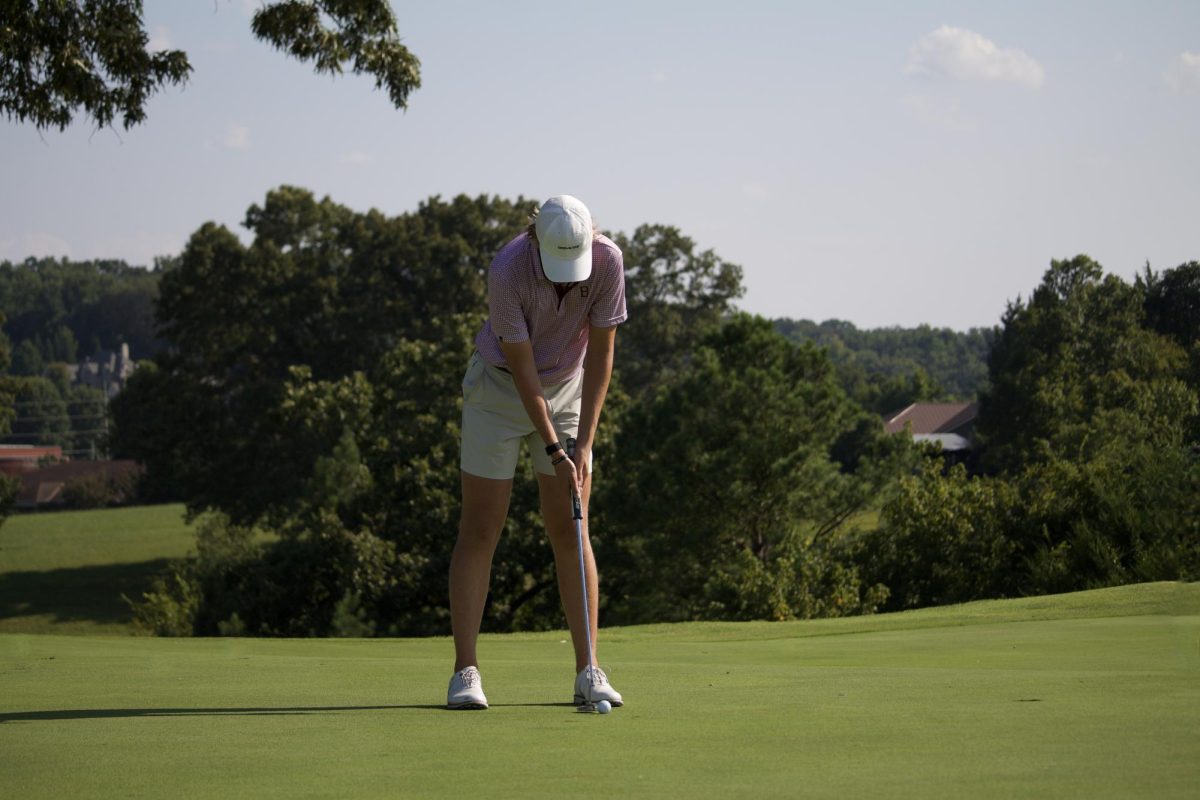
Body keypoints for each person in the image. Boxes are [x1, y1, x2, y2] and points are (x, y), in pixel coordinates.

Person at [446, 195, 626, 710]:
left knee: (571, 527)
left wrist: (584, 445)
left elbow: (602, 354)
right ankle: (465, 671)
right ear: (535, 241)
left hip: (567, 389)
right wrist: (553, 446)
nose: (568, 282)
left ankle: (588, 669)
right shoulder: (507, 268)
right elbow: (523, 371)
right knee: (481, 527)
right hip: (500, 390)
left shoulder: (608, 261)